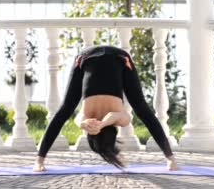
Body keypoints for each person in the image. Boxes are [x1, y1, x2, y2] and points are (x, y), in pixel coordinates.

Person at [34, 45, 178, 171]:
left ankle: (170, 157)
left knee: (142, 109)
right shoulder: (88, 116)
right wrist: (91, 124)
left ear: (114, 135)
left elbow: (118, 116)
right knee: (65, 110)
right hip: (88, 58)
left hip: (117, 57)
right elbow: (78, 119)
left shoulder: (119, 120)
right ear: (90, 134)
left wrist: (97, 124)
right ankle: (39, 159)